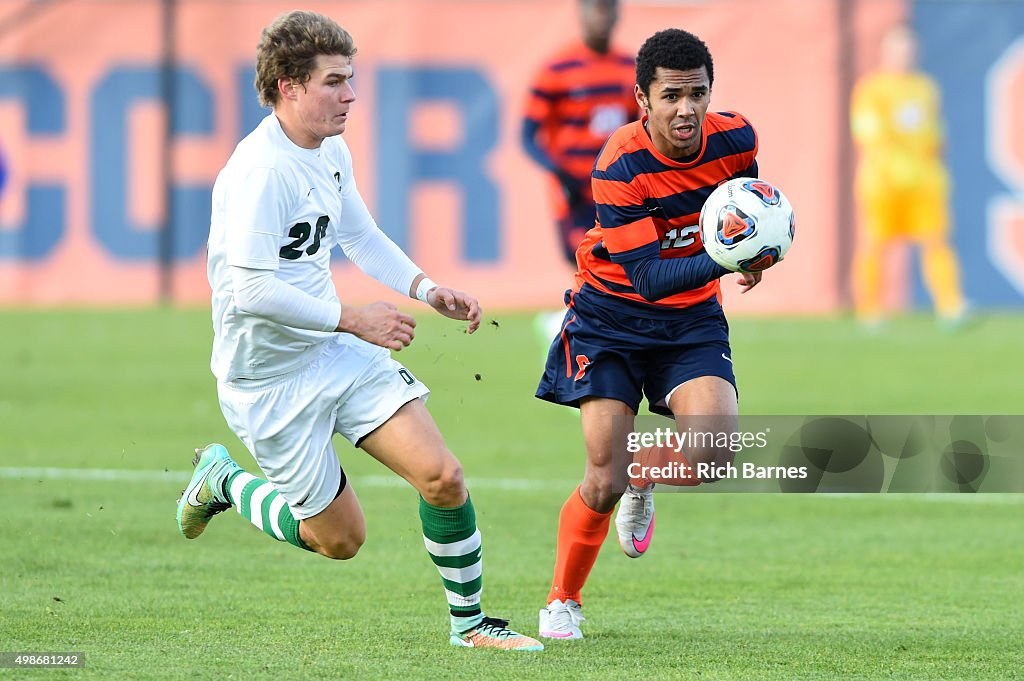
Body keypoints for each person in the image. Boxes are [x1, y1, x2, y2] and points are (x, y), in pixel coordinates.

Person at [176, 10, 542, 652]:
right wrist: (355, 316)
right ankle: (225, 481)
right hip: (267, 381)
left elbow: (360, 236)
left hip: (337, 351)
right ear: (289, 86)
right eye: (335, 81)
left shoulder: (329, 149)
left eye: (351, 79)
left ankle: (471, 626)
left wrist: (426, 289)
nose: (350, 95)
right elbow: (250, 291)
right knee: (339, 541)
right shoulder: (260, 172)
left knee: (443, 476)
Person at [534, 28, 762, 640]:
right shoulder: (617, 164)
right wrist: (731, 255)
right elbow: (651, 277)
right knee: (602, 479)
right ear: (643, 99)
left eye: (697, 94)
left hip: (690, 323)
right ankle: (562, 602)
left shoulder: (737, 138)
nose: (686, 109)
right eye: (671, 97)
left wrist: (759, 244)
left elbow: (746, 202)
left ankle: (647, 470)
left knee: (714, 456)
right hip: (610, 319)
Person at [521, 0, 637, 341]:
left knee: (619, 265)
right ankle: (572, 331)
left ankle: (569, 329)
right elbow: (527, 135)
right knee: (587, 262)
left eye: (608, 9)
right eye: (595, 9)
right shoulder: (558, 68)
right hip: (574, 192)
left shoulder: (630, 68)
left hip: (617, 189)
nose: (602, 17)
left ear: (618, 14)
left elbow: (639, 130)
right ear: (581, 13)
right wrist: (558, 173)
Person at [851, 23, 966, 327]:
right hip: (883, 181)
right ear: (885, 52)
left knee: (936, 241)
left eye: (908, 48)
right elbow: (869, 134)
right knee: (875, 243)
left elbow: (936, 134)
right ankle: (870, 311)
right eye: (897, 49)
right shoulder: (871, 89)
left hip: (925, 181)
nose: (904, 55)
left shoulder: (926, 88)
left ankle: (950, 305)